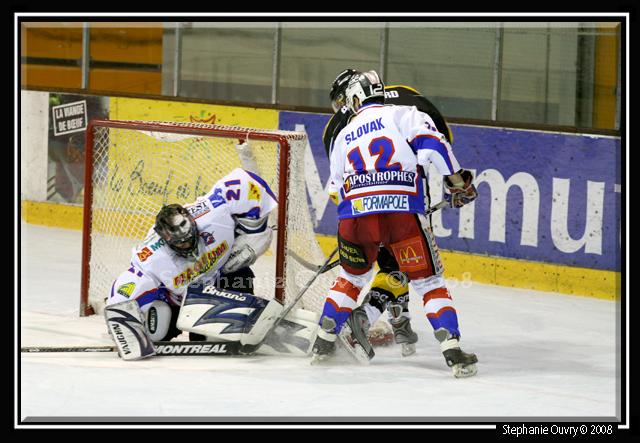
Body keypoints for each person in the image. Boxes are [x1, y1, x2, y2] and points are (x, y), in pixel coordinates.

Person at [312, 70, 479, 378]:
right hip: (403, 213)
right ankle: (452, 349)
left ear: (353, 99)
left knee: (350, 279)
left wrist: (360, 212)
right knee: (428, 283)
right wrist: (458, 183)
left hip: (355, 217)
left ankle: (323, 342)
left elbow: (335, 189)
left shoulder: (343, 133)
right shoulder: (406, 112)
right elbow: (436, 145)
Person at [105, 168, 317, 359]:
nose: (187, 245)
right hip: (178, 302)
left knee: (240, 278)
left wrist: (254, 236)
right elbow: (129, 283)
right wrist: (119, 315)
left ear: (193, 223)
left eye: (189, 237)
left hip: (218, 283)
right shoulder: (153, 254)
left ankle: (246, 325)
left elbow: (248, 183)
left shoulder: (214, 213)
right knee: (157, 331)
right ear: (167, 241)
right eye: (180, 243)